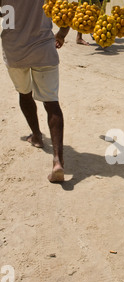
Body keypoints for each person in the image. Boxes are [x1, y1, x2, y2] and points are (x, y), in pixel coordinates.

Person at [0, 0, 69, 182]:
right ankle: (57, 160)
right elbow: (66, 13)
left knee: (24, 94)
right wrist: (61, 34)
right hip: (44, 49)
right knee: (51, 102)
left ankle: (37, 136)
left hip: (14, 50)